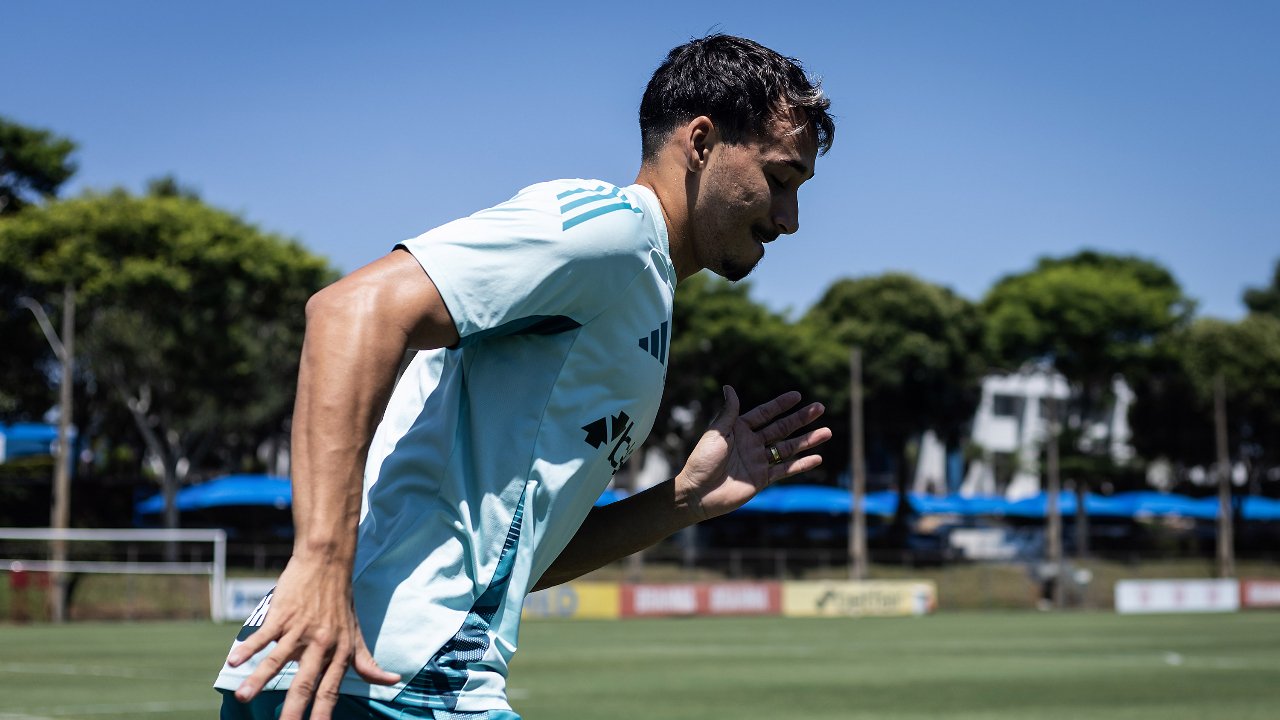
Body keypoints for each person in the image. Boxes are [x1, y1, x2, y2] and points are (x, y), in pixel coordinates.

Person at [216, 33, 836, 720]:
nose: (790, 220)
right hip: (402, 675)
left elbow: (517, 562)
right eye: (780, 180)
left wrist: (682, 501)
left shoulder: (642, 291)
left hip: (340, 669)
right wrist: (320, 562)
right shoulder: (614, 233)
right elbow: (350, 310)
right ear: (700, 142)